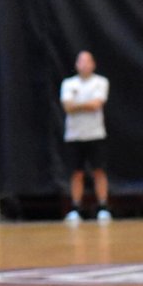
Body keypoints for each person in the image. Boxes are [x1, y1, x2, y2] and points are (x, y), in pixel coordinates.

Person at [61, 50, 110, 223]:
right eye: (81, 61)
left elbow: (97, 104)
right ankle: (75, 208)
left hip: (95, 134)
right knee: (77, 172)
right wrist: (84, 104)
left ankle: (103, 207)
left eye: (88, 61)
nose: (84, 64)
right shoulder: (68, 84)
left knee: (99, 170)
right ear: (76, 65)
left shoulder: (100, 82)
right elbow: (67, 106)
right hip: (74, 136)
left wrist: (77, 104)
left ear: (93, 64)